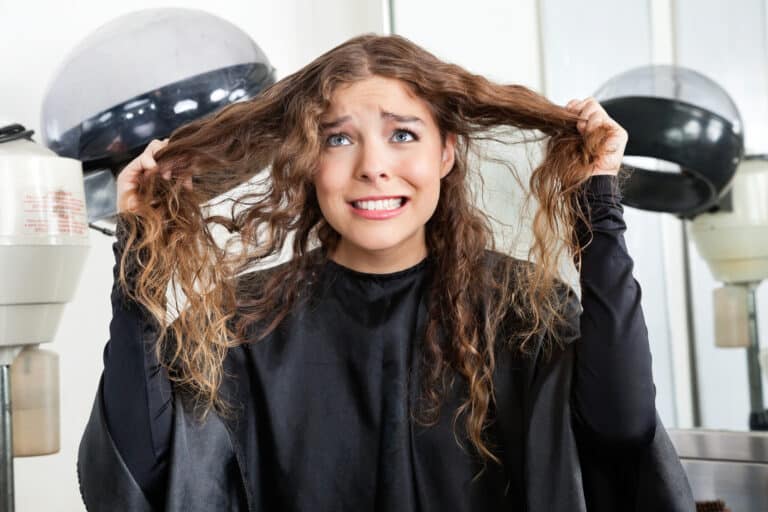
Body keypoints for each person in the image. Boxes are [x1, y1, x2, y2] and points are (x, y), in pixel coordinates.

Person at [77, 34, 693, 511]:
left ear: (447, 151)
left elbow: (621, 431)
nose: (374, 166)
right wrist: (140, 249)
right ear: (306, 159)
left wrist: (600, 208)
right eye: (338, 140)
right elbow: (140, 468)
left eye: (402, 134)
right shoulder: (241, 320)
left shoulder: (522, 308)